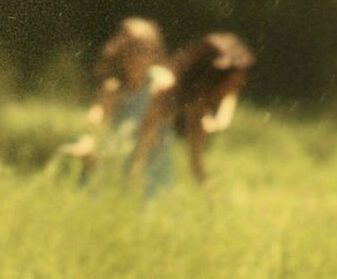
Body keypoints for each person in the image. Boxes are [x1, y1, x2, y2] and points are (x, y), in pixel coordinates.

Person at [128, 31, 255, 188]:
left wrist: (206, 186)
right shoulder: (164, 88)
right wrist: (131, 180)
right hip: (123, 139)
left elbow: (196, 160)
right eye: (232, 83)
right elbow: (140, 145)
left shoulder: (197, 102)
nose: (240, 84)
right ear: (212, 78)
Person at [62, 17, 174, 196]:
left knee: (146, 207)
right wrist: (89, 138)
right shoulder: (114, 88)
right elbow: (98, 115)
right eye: (134, 51)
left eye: (149, 51)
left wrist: (137, 168)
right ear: (121, 53)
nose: (141, 58)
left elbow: (150, 128)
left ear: (156, 53)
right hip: (122, 158)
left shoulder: (160, 82)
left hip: (150, 162)